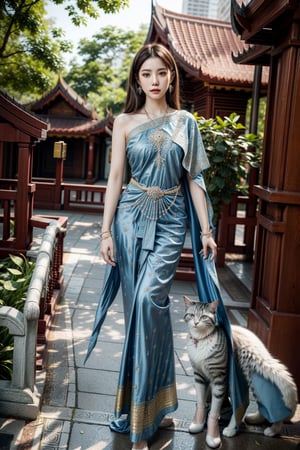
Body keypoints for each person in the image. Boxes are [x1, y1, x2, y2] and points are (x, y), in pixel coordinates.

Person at [85, 43, 247, 450]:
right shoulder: (123, 121)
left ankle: (146, 415)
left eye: (161, 73)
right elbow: (116, 179)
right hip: (128, 219)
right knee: (136, 313)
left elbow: (195, 179)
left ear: (171, 76)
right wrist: (105, 233)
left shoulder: (185, 121)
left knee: (147, 302)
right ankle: (144, 411)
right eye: (146, 74)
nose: (154, 81)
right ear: (137, 79)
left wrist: (206, 231)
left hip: (172, 220)